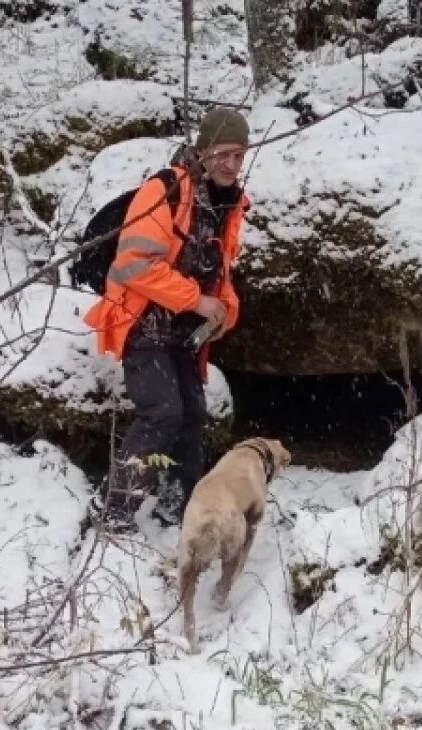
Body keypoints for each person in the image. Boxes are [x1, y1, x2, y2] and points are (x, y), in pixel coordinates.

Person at [83, 107, 251, 534]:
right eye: (223, 153)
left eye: (239, 155)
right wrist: (197, 301)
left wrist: (224, 311)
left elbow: (221, 275)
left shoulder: (227, 203)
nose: (231, 164)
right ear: (203, 150)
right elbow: (134, 264)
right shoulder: (166, 191)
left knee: (194, 414)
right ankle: (113, 506)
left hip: (181, 333)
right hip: (141, 325)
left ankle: (178, 504)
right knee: (162, 413)